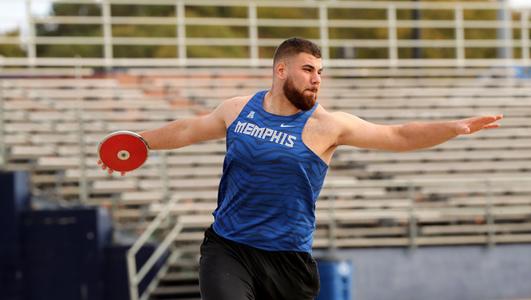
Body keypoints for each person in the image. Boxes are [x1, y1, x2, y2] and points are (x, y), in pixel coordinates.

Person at [98, 37, 503, 300]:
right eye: (309, 70)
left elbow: (396, 135)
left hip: (288, 260)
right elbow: (189, 128)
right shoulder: (238, 109)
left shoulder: (327, 125)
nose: (317, 80)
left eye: (321, 73)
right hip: (228, 248)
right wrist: (138, 141)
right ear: (281, 70)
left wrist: (455, 127)